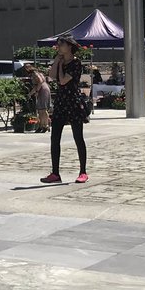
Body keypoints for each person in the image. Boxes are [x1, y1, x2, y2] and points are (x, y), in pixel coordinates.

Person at [41, 35, 89, 184]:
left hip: (72, 102)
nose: (58, 47)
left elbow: (62, 80)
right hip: (61, 102)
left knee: (78, 137)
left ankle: (83, 172)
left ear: (69, 46)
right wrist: (57, 61)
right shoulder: (60, 60)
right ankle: (55, 173)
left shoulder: (76, 63)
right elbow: (51, 76)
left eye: (61, 44)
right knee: (55, 138)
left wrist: (60, 66)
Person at [29, 66, 51, 133]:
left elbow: (40, 82)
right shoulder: (37, 73)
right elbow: (36, 86)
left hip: (43, 90)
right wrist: (30, 94)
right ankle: (41, 125)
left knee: (43, 109)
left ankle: (45, 125)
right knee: (40, 109)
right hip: (42, 89)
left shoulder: (35, 73)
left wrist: (37, 91)